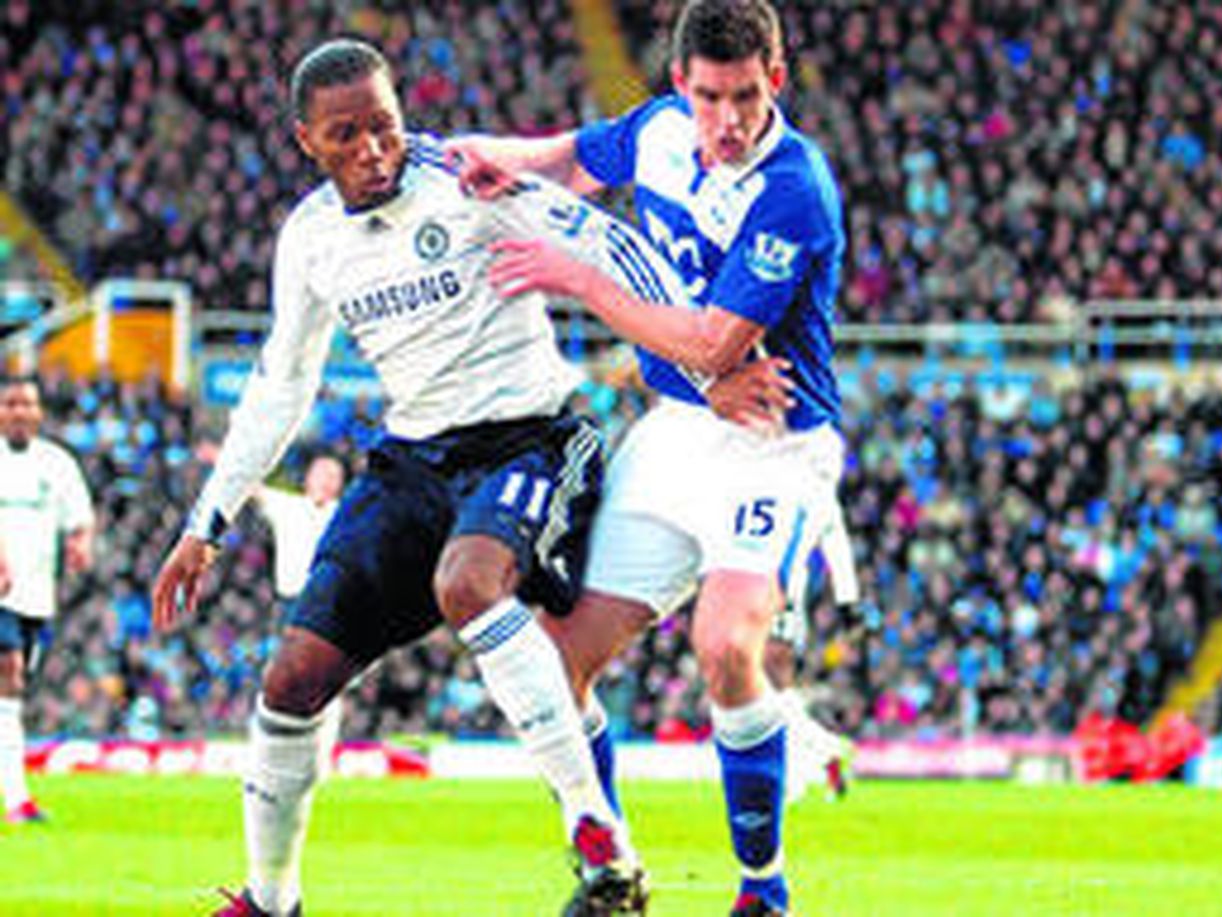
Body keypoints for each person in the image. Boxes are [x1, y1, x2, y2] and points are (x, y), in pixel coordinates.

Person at [151, 38, 780, 917]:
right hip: (413, 460)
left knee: (469, 583)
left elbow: (614, 247)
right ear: (306, 141)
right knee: (290, 677)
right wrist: (205, 523)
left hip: (532, 440)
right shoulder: (311, 239)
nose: (374, 150)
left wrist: (712, 366)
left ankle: (604, 850)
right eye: (347, 137)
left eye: (385, 126)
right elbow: (281, 383)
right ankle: (270, 899)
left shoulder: (470, 178)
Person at [454, 2, 845, 911]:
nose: (729, 120)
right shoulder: (662, 131)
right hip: (673, 434)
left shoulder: (795, 186)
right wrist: (478, 154)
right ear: (681, 86)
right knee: (556, 660)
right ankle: (614, 867)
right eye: (710, 97)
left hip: (771, 446)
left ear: (775, 82)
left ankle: (763, 887)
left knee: (724, 643)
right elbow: (573, 158)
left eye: (746, 96)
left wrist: (581, 279)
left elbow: (714, 343)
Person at [0, 374, 94, 824]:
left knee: (13, 692)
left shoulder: (57, 464)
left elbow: (80, 517)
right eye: (11, 403)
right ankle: (17, 800)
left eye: (27, 404)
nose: (19, 412)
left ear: (39, 413)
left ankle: (15, 794)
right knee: (10, 674)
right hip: (2, 593)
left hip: (37, 596)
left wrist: (80, 543)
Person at [767, 500, 856, 804]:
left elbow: (833, 539)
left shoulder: (800, 488)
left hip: (778, 590)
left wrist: (847, 600)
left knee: (767, 686)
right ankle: (815, 759)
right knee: (768, 692)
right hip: (776, 589)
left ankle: (806, 766)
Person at [252, 454, 346, 602]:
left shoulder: (343, 515)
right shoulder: (287, 506)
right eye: (321, 474)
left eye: (333, 476)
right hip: (286, 600)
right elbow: (252, 489)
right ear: (308, 477)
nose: (326, 480)